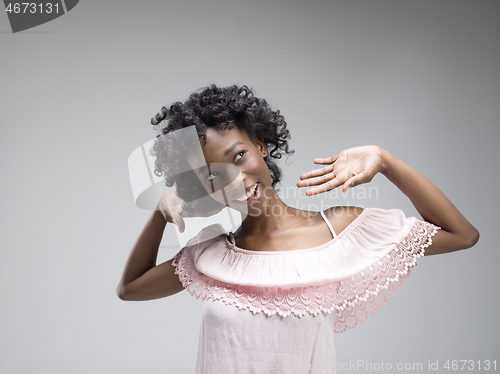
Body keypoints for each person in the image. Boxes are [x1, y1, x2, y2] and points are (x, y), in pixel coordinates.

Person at [117, 84, 479, 374]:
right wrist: (161, 214)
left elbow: (461, 235)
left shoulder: (337, 231)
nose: (236, 180)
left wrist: (386, 160)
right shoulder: (210, 255)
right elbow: (130, 288)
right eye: (213, 176)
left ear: (260, 146)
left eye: (239, 156)